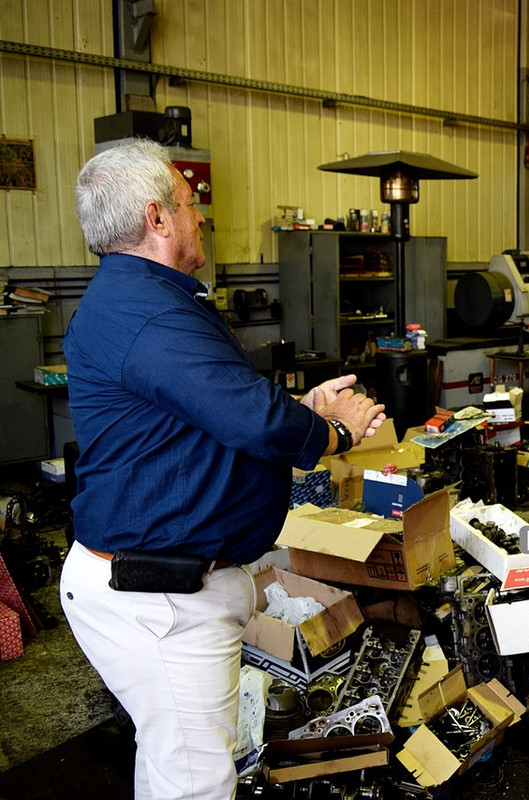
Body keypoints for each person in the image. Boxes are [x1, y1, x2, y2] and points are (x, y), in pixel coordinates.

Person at [59, 139, 386, 800]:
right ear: (157, 218)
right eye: (190, 202)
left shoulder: (144, 299)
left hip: (168, 583)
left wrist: (299, 409)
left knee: (178, 762)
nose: (200, 214)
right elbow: (254, 423)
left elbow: (208, 413)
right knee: (194, 781)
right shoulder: (150, 312)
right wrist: (334, 432)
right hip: (162, 598)